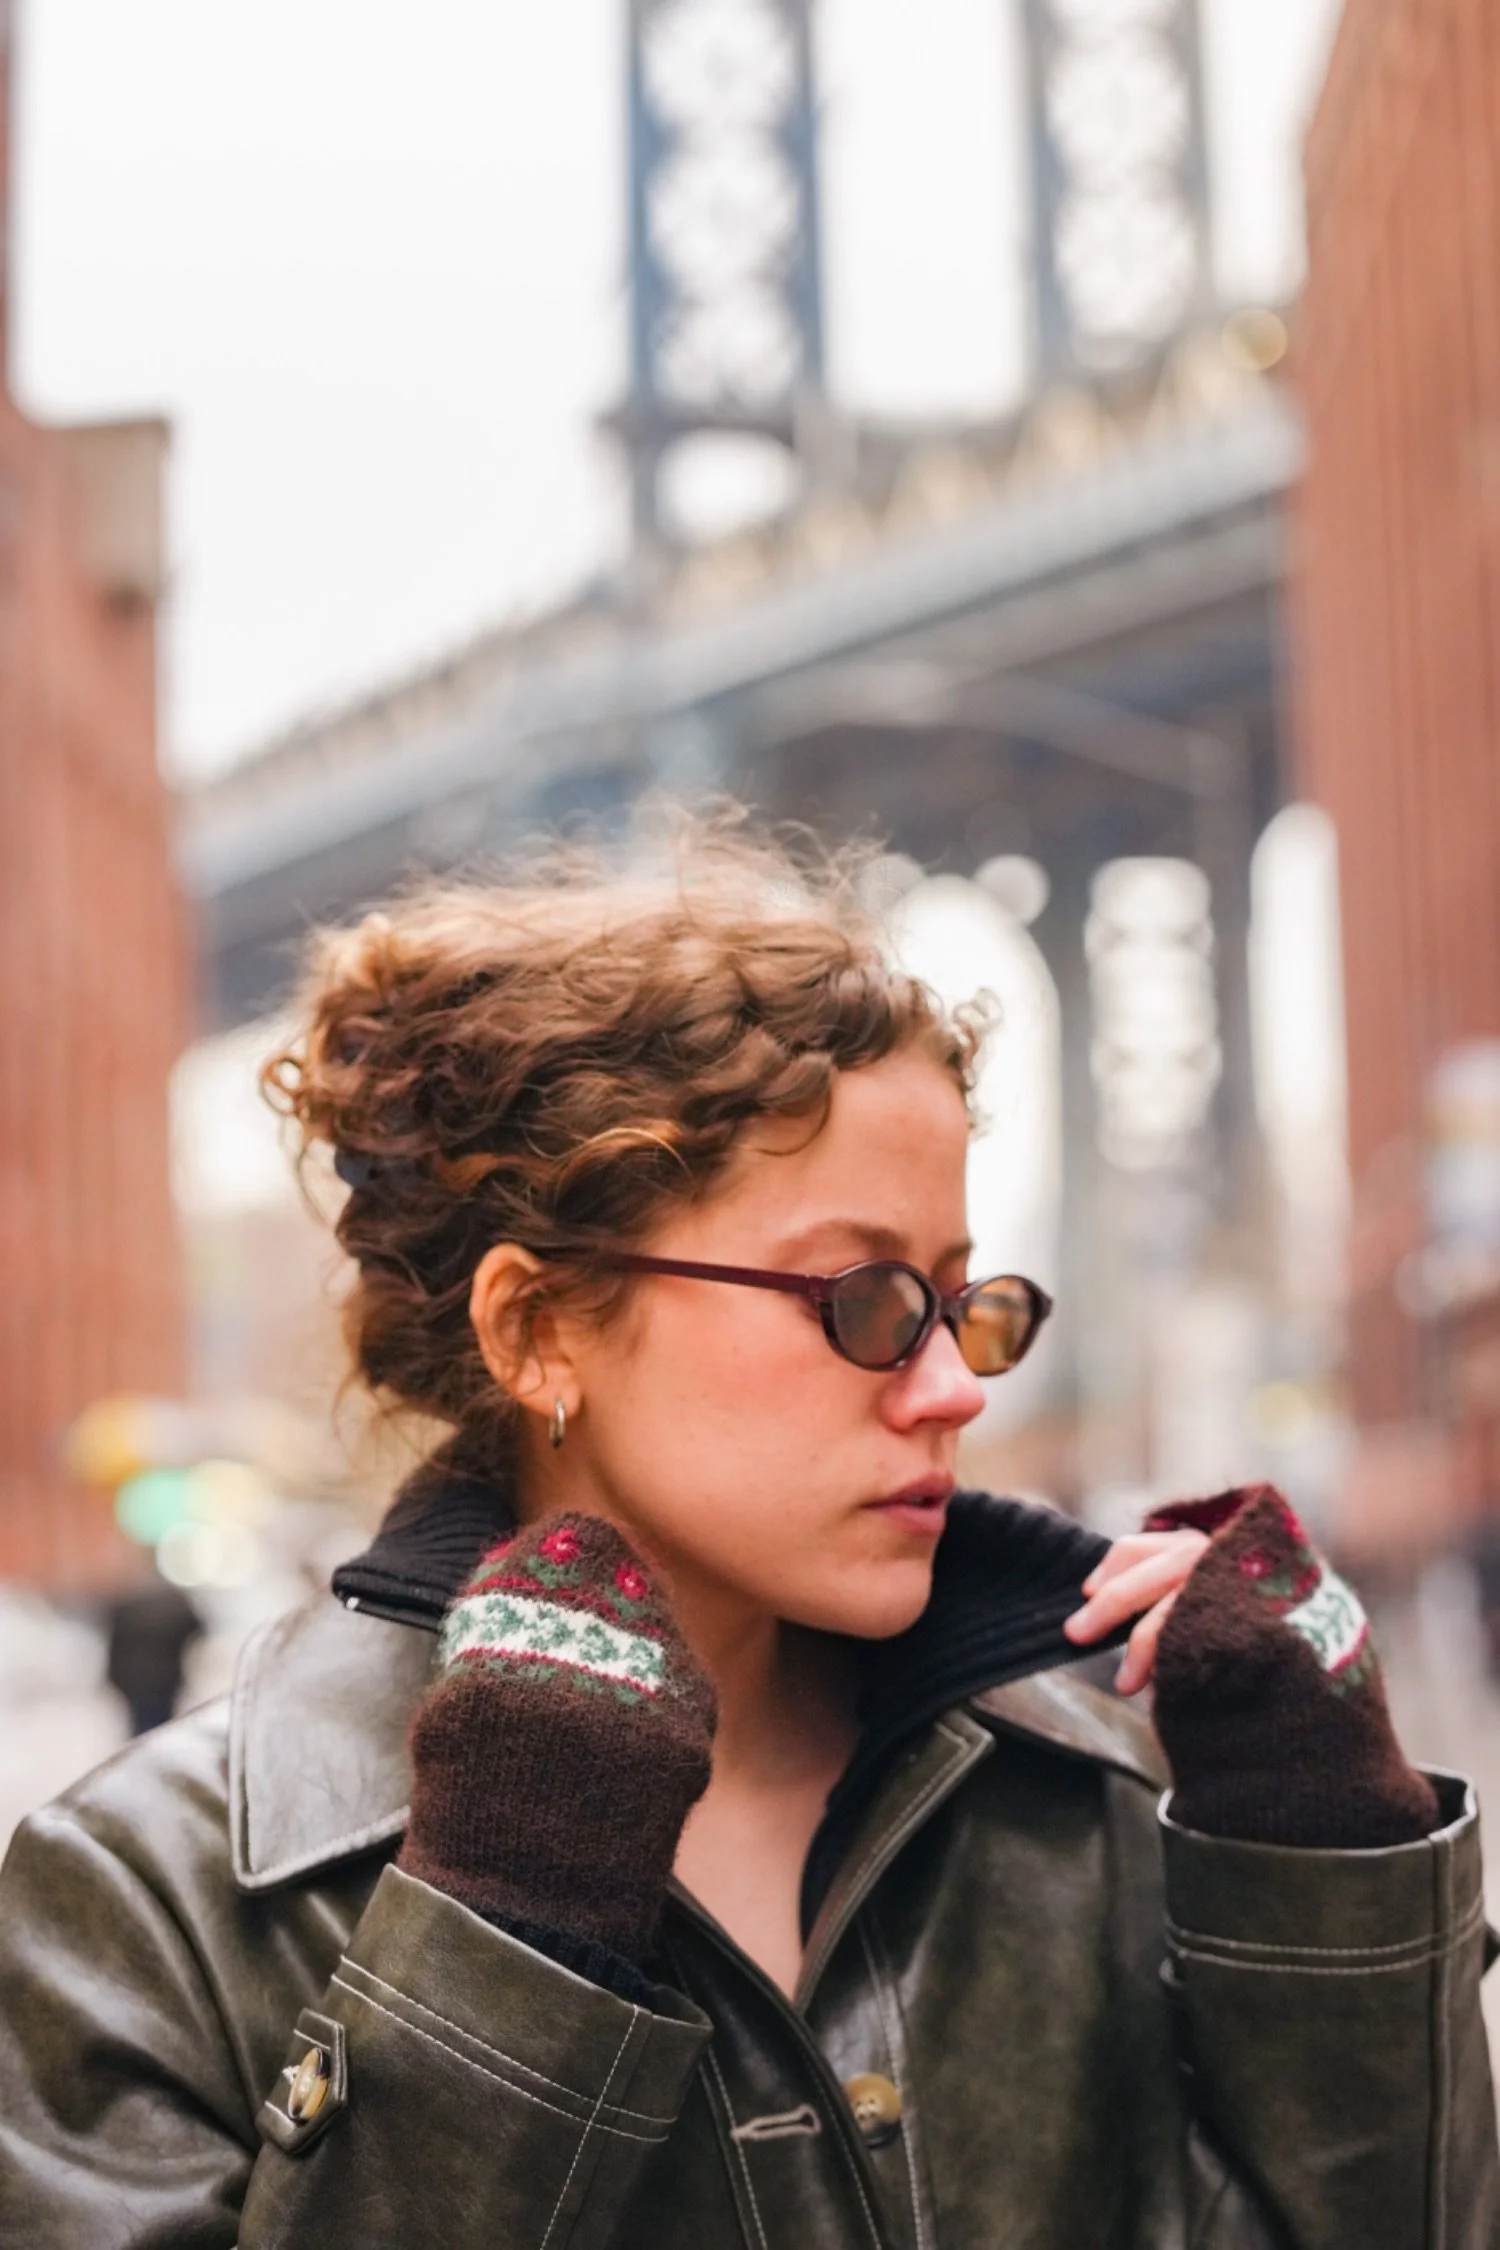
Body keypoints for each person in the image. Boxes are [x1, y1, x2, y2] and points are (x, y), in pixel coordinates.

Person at [0, 816, 1495, 2248]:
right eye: (864, 1300)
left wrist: (1325, 1852)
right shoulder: (148, 1899)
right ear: (536, 1326)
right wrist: (508, 1932)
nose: (956, 1388)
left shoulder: (1101, 1789)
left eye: (965, 1303)